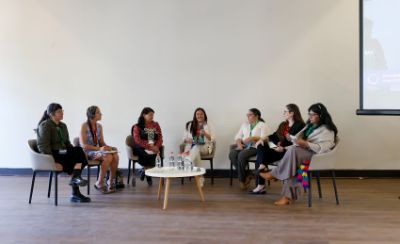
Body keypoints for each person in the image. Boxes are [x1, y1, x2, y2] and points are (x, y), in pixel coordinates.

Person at [259, 103, 338, 205]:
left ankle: (274, 174)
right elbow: (297, 144)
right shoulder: (309, 126)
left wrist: (306, 143)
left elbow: (322, 148)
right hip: (302, 153)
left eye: (313, 114)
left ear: (321, 115)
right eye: (309, 114)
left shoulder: (327, 130)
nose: (310, 117)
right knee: (293, 162)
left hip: (316, 157)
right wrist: (286, 147)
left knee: (293, 154)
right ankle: (286, 197)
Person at [36, 103, 91, 203]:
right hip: (53, 154)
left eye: (62, 111)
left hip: (63, 152)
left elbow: (67, 143)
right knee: (77, 153)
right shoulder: (45, 126)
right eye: (59, 112)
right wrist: (51, 160)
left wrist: (74, 151)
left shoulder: (63, 126)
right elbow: (43, 146)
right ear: (51, 114)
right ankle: (75, 190)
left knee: (78, 151)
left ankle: (75, 184)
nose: (62, 113)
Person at [250, 104, 305, 194]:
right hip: (277, 150)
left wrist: (284, 148)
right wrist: (262, 139)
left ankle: (260, 184)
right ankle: (262, 167)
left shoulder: (300, 125)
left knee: (261, 158)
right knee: (261, 145)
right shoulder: (284, 125)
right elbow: (273, 136)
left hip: (288, 152)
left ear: (291, 113)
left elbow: (299, 144)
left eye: (285, 112)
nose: (283, 113)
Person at [80, 106, 119, 194]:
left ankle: (110, 181)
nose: (101, 114)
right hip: (87, 151)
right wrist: (99, 149)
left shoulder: (99, 126)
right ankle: (99, 183)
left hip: (97, 150)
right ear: (92, 115)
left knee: (115, 155)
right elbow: (83, 145)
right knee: (107, 156)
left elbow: (101, 142)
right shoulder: (84, 126)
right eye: (98, 112)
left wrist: (108, 147)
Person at [229, 108, 269, 190]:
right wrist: (239, 144)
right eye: (247, 115)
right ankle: (247, 174)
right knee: (232, 154)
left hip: (255, 147)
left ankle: (242, 180)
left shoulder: (262, 125)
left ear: (256, 116)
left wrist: (252, 138)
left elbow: (265, 138)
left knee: (241, 155)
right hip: (244, 146)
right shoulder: (245, 125)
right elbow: (238, 136)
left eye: (250, 115)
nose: (248, 116)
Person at [182, 108, 215, 187]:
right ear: (195, 115)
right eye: (198, 114)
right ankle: (200, 178)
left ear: (204, 115)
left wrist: (206, 134)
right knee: (196, 152)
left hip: (206, 147)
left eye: (201, 114)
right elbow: (183, 139)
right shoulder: (190, 124)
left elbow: (213, 139)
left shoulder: (208, 124)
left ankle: (188, 161)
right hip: (191, 147)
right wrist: (187, 140)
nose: (199, 115)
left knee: (197, 147)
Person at [131, 107, 163, 186]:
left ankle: (144, 170)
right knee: (145, 154)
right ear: (144, 115)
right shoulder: (137, 126)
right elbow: (137, 140)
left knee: (157, 154)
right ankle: (147, 174)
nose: (152, 117)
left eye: (153, 115)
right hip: (141, 147)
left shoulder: (156, 125)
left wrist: (156, 146)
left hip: (154, 147)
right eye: (150, 115)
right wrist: (150, 147)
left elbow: (160, 137)